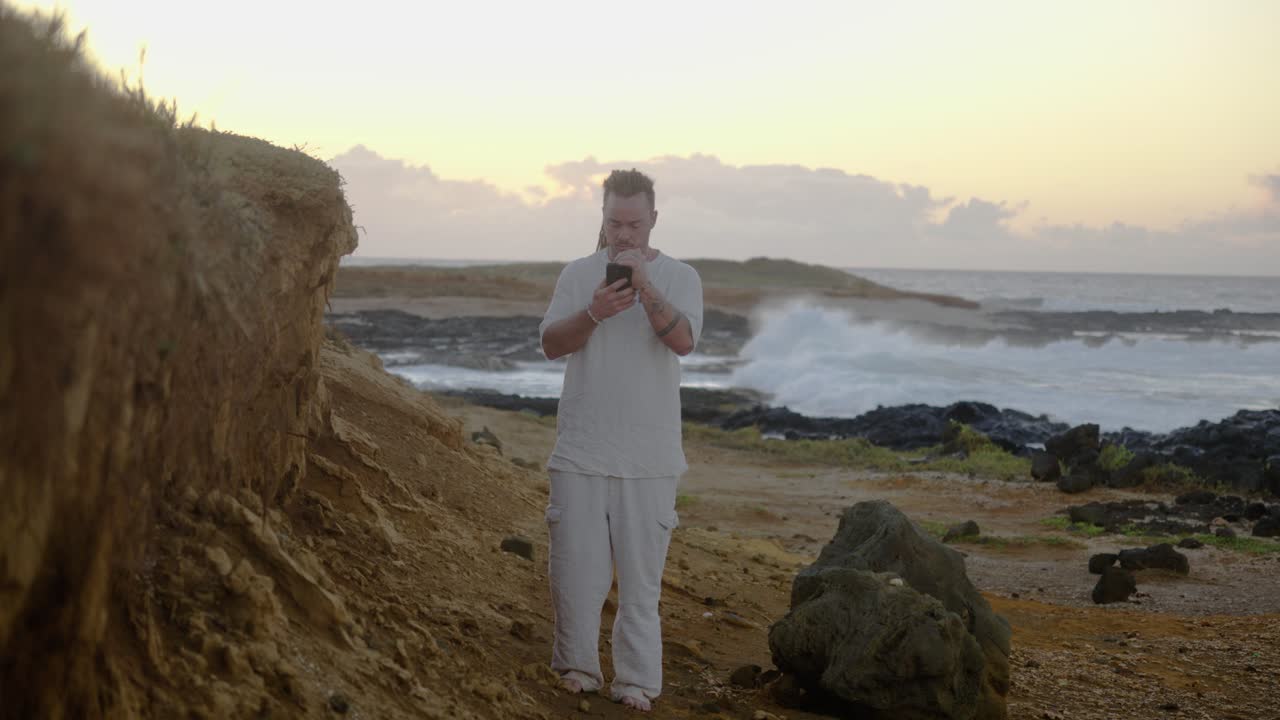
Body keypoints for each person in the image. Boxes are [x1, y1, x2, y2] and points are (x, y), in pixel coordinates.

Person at [538, 168, 703, 712]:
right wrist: (594, 312)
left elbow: (683, 342)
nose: (624, 234)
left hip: (651, 457)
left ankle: (636, 683)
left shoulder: (681, 277)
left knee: (640, 586)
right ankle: (577, 668)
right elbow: (550, 344)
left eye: (634, 224)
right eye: (615, 223)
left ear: (653, 219)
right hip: (581, 451)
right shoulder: (578, 273)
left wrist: (645, 287)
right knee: (574, 576)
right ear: (603, 218)